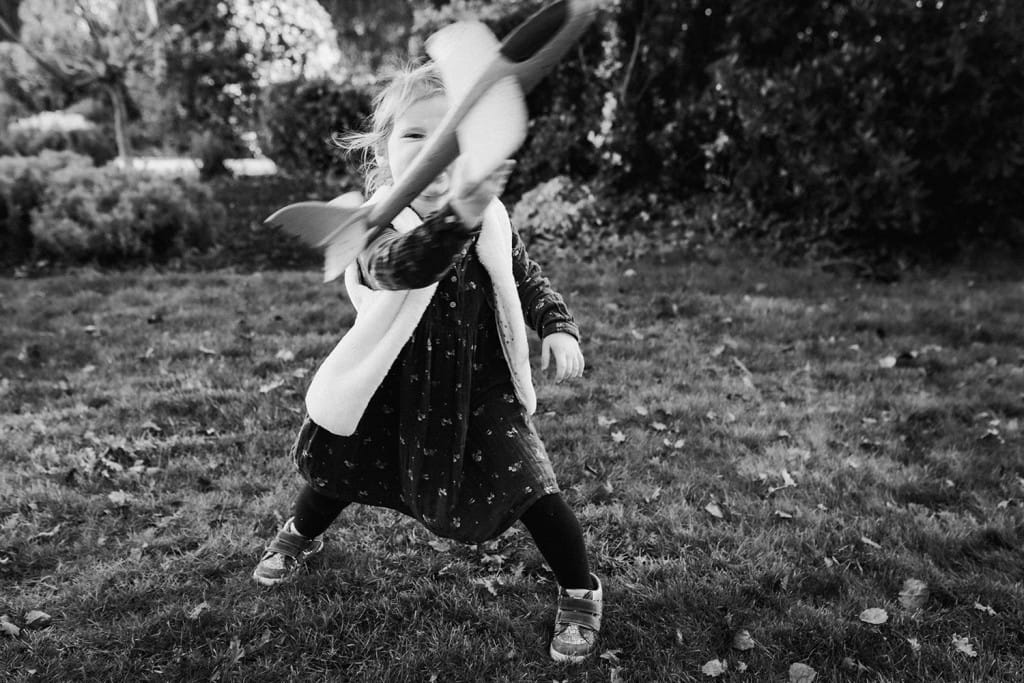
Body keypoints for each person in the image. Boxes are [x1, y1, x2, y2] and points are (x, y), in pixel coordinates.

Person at [252, 61, 602, 663]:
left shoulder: (490, 216)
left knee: (534, 490)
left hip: (480, 387)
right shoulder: (371, 225)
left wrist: (557, 325)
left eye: (454, 139)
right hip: (392, 384)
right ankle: (298, 536)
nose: (437, 151)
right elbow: (402, 266)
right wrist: (456, 218)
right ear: (384, 152)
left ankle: (580, 590)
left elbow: (524, 276)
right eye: (417, 135)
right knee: (339, 469)